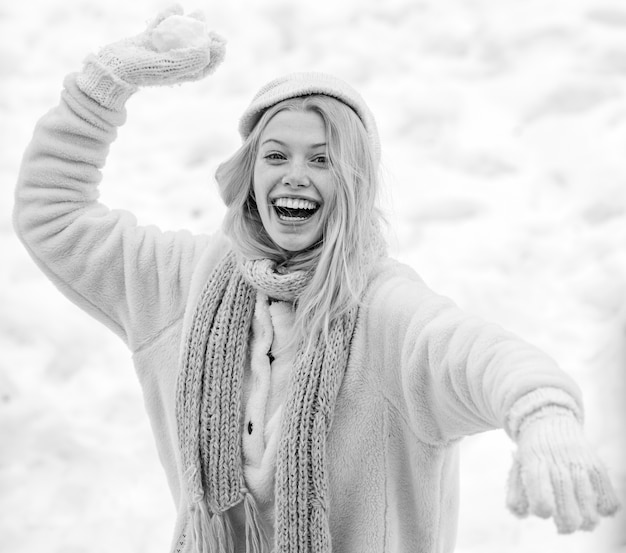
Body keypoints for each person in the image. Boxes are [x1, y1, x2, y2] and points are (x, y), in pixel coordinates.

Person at [13, 5, 621, 553]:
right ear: (249, 172)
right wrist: (104, 83)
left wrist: (543, 414)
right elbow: (53, 211)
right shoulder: (182, 285)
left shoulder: (384, 311)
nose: (294, 176)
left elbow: (479, 355)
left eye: (322, 159)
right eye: (276, 155)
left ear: (352, 182)